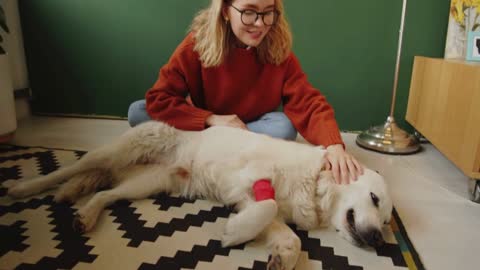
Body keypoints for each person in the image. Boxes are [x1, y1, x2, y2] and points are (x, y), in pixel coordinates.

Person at [128, 0, 364, 184]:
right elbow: (159, 98)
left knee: (283, 126)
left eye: (268, 12)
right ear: (225, 11)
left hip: (249, 126)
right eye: (249, 12)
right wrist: (210, 119)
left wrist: (333, 145)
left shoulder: (277, 49)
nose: (260, 23)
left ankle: (207, 148)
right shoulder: (195, 45)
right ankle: (213, 143)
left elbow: (308, 101)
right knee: (137, 111)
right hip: (208, 125)